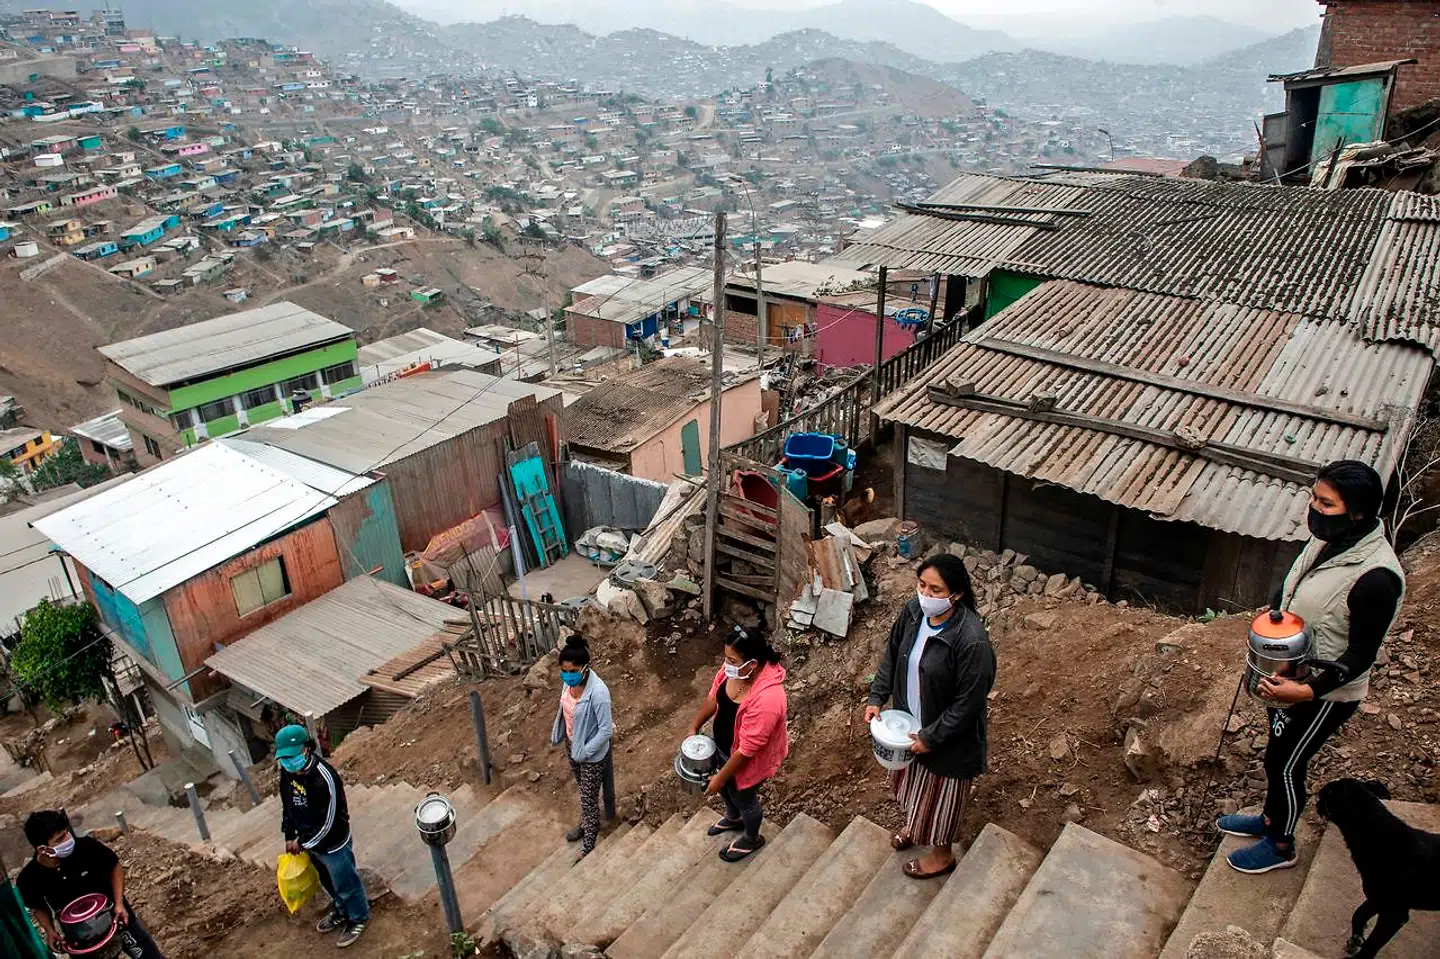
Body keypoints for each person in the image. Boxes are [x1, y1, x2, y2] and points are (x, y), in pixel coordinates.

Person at [1219, 460, 1405, 875]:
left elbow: (1360, 655)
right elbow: (1295, 584)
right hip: (1292, 676)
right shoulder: (1330, 541)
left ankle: (1281, 844)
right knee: (1276, 754)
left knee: (1286, 764)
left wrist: (1305, 692)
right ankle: (1271, 818)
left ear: (1357, 512)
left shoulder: (1376, 578)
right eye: (1314, 498)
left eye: (1326, 503)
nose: (1314, 509)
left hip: (1325, 693)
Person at [866, 553, 996, 879]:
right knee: (913, 784)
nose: (925, 595)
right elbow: (892, 654)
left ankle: (942, 855)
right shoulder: (913, 613)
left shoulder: (971, 641)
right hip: (910, 723)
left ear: (957, 594)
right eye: (922, 585)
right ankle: (916, 826)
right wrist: (877, 696)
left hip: (948, 738)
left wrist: (931, 737)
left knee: (940, 799)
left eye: (936, 590)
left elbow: (968, 703)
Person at [688, 626, 789, 862]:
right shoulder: (735, 672)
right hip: (722, 748)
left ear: (752, 664)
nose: (726, 665)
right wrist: (693, 727)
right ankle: (733, 818)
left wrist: (720, 777)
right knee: (727, 790)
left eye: (732, 660)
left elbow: (747, 749)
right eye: (726, 658)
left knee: (744, 798)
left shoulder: (768, 699)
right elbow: (714, 697)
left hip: (747, 761)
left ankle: (751, 837)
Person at [16, 809, 167, 958]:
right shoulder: (30, 877)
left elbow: (115, 867)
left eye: (67, 833)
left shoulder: (86, 848)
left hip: (116, 918)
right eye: (60, 839)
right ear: (43, 849)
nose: (68, 839)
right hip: (81, 937)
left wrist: (119, 904)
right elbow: (38, 906)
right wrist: (50, 930)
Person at [276, 724, 369, 948]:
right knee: (327, 881)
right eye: (283, 758)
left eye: (291, 756)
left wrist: (303, 842)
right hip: (309, 843)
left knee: (346, 882)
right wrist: (289, 835)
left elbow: (329, 820)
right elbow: (288, 805)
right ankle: (341, 910)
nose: (288, 762)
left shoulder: (324, 778)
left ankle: (358, 917)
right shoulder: (287, 774)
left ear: (306, 749)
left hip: (333, 843)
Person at [549, 636, 613, 857]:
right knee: (584, 789)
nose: (568, 676)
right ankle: (587, 823)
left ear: (586, 667)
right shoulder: (569, 684)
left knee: (588, 798)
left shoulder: (599, 694)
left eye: (573, 671)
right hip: (572, 744)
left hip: (591, 753)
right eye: (564, 671)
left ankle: (589, 841)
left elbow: (605, 730)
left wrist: (584, 752)